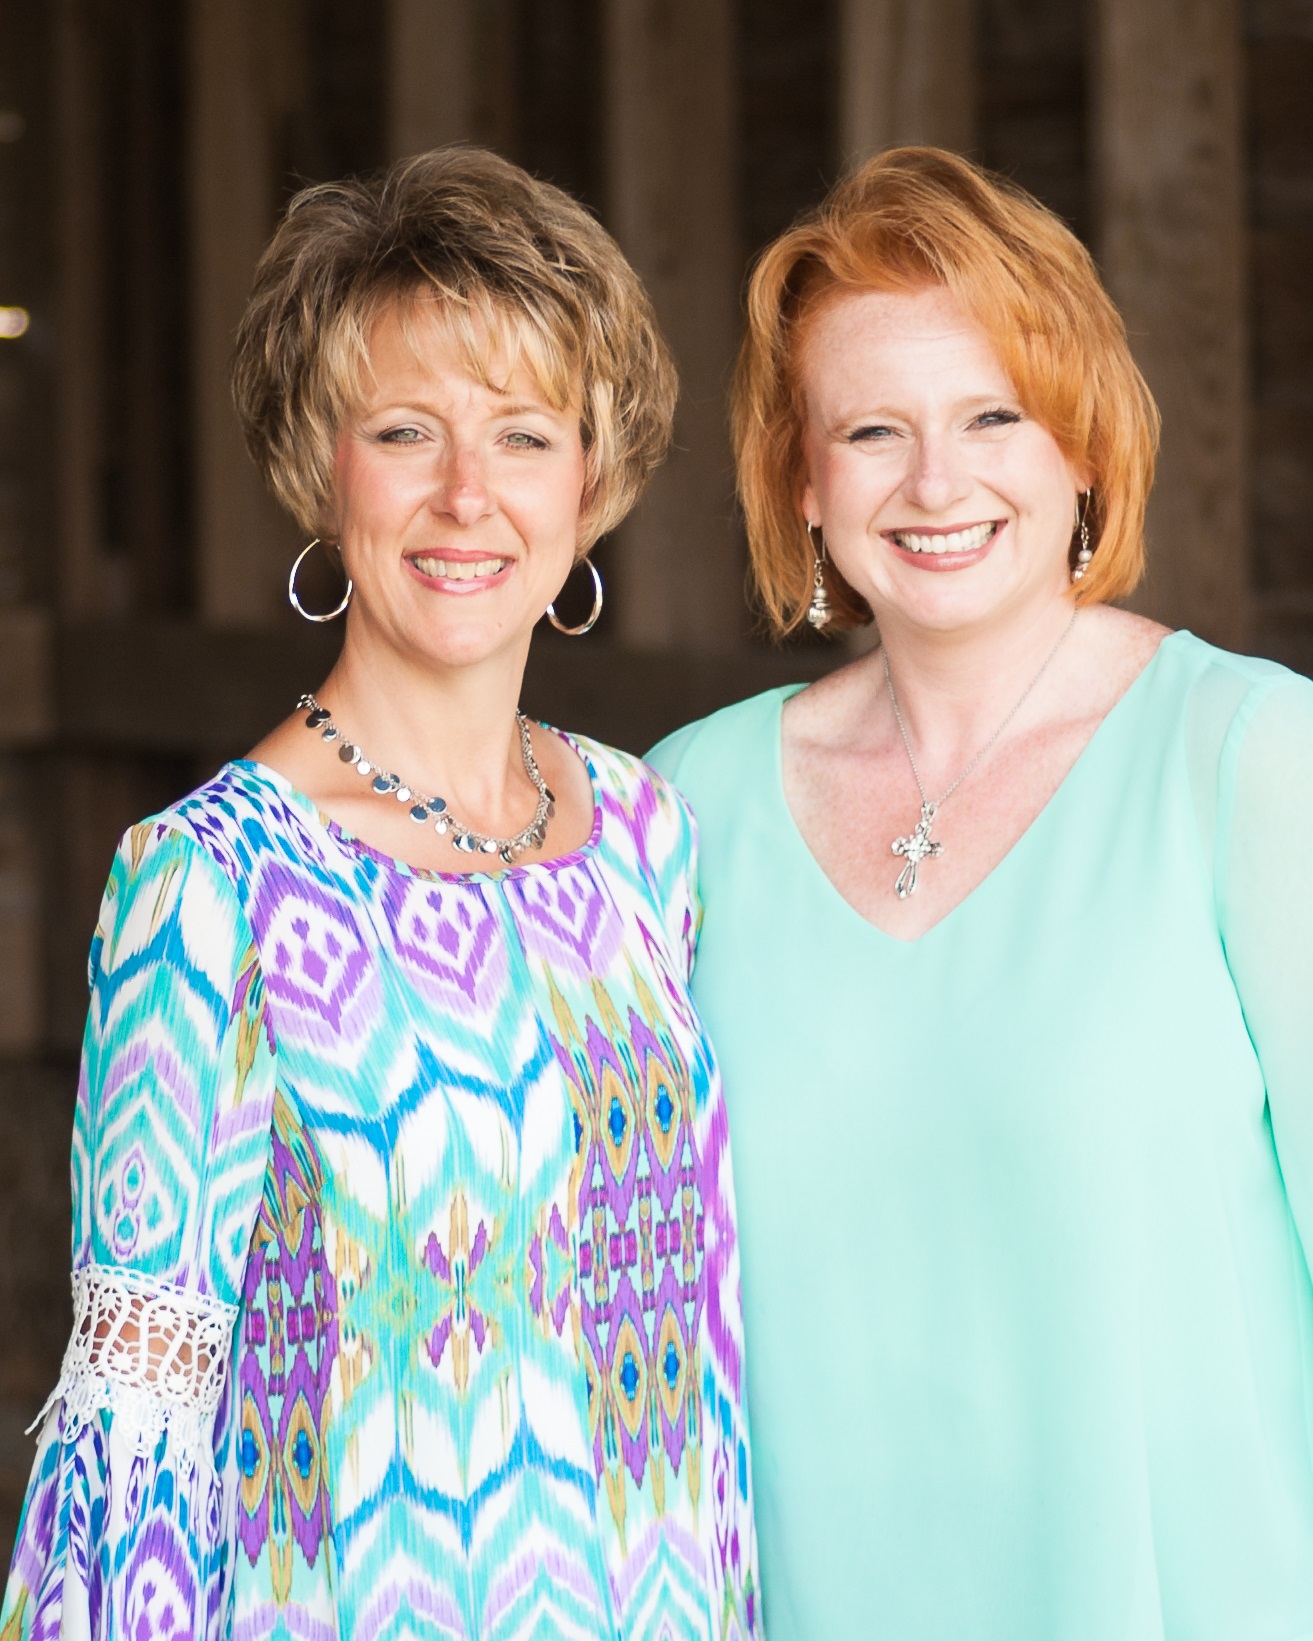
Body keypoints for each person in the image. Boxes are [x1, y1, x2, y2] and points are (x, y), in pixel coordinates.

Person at [1, 148, 759, 1641]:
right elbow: (136, 1430)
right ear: (322, 467)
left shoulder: (645, 833)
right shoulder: (208, 883)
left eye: (524, 436)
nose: (467, 496)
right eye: (406, 432)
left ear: (590, 481)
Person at [649, 146, 1313, 1640]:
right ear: (802, 481)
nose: (935, 483)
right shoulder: (685, 806)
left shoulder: (1253, 760)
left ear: (1081, 443)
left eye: (992, 415)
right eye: (871, 430)